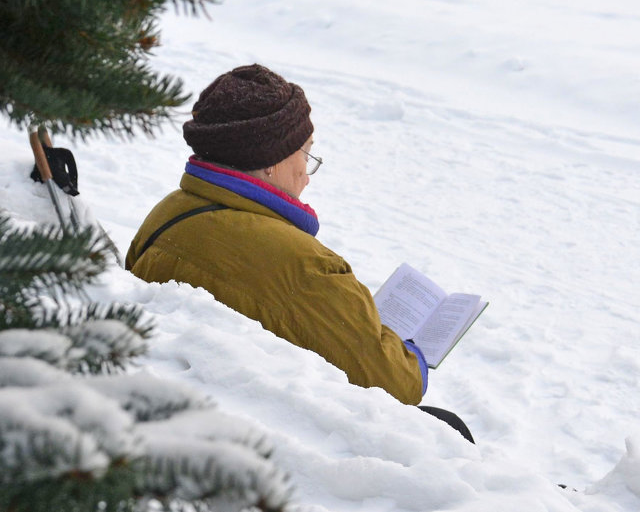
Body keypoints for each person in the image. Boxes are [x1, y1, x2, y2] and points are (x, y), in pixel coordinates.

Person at [126, 64, 474, 441]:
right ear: (272, 162)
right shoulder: (304, 264)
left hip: (187, 408)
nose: (307, 174)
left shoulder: (168, 212)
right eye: (305, 155)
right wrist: (413, 356)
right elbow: (393, 385)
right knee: (448, 427)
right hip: (264, 437)